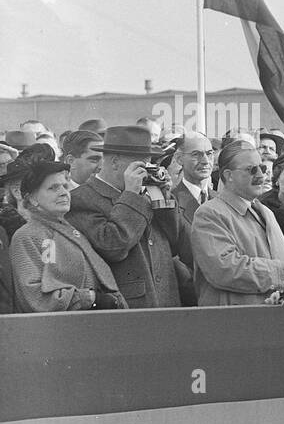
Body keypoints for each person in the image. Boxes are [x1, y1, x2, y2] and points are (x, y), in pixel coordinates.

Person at [67, 125, 192, 309]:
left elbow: (177, 241)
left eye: (151, 164)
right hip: (128, 308)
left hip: (167, 303)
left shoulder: (146, 193)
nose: (148, 171)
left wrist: (165, 200)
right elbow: (113, 247)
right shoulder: (81, 200)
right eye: (141, 164)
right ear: (115, 162)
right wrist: (132, 196)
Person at [191, 143, 284, 305]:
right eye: (251, 170)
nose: (260, 176)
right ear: (229, 175)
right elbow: (224, 269)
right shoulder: (209, 214)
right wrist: (280, 269)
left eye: (262, 169)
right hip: (233, 321)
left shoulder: (265, 212)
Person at [8, 160, 126, 312]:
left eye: (65, 186)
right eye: (53, 188)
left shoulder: (70, 229)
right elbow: (34, 296)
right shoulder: (27, 236)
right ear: (32, 199)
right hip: (61, 330)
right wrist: (91, 299)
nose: (64, 192)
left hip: (91, 325)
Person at [172, 132, 214, 223]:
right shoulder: (171, 203)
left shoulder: (222, 200)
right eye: (196, 154)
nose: (206, 161)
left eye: (209, 154)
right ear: (179, 159)